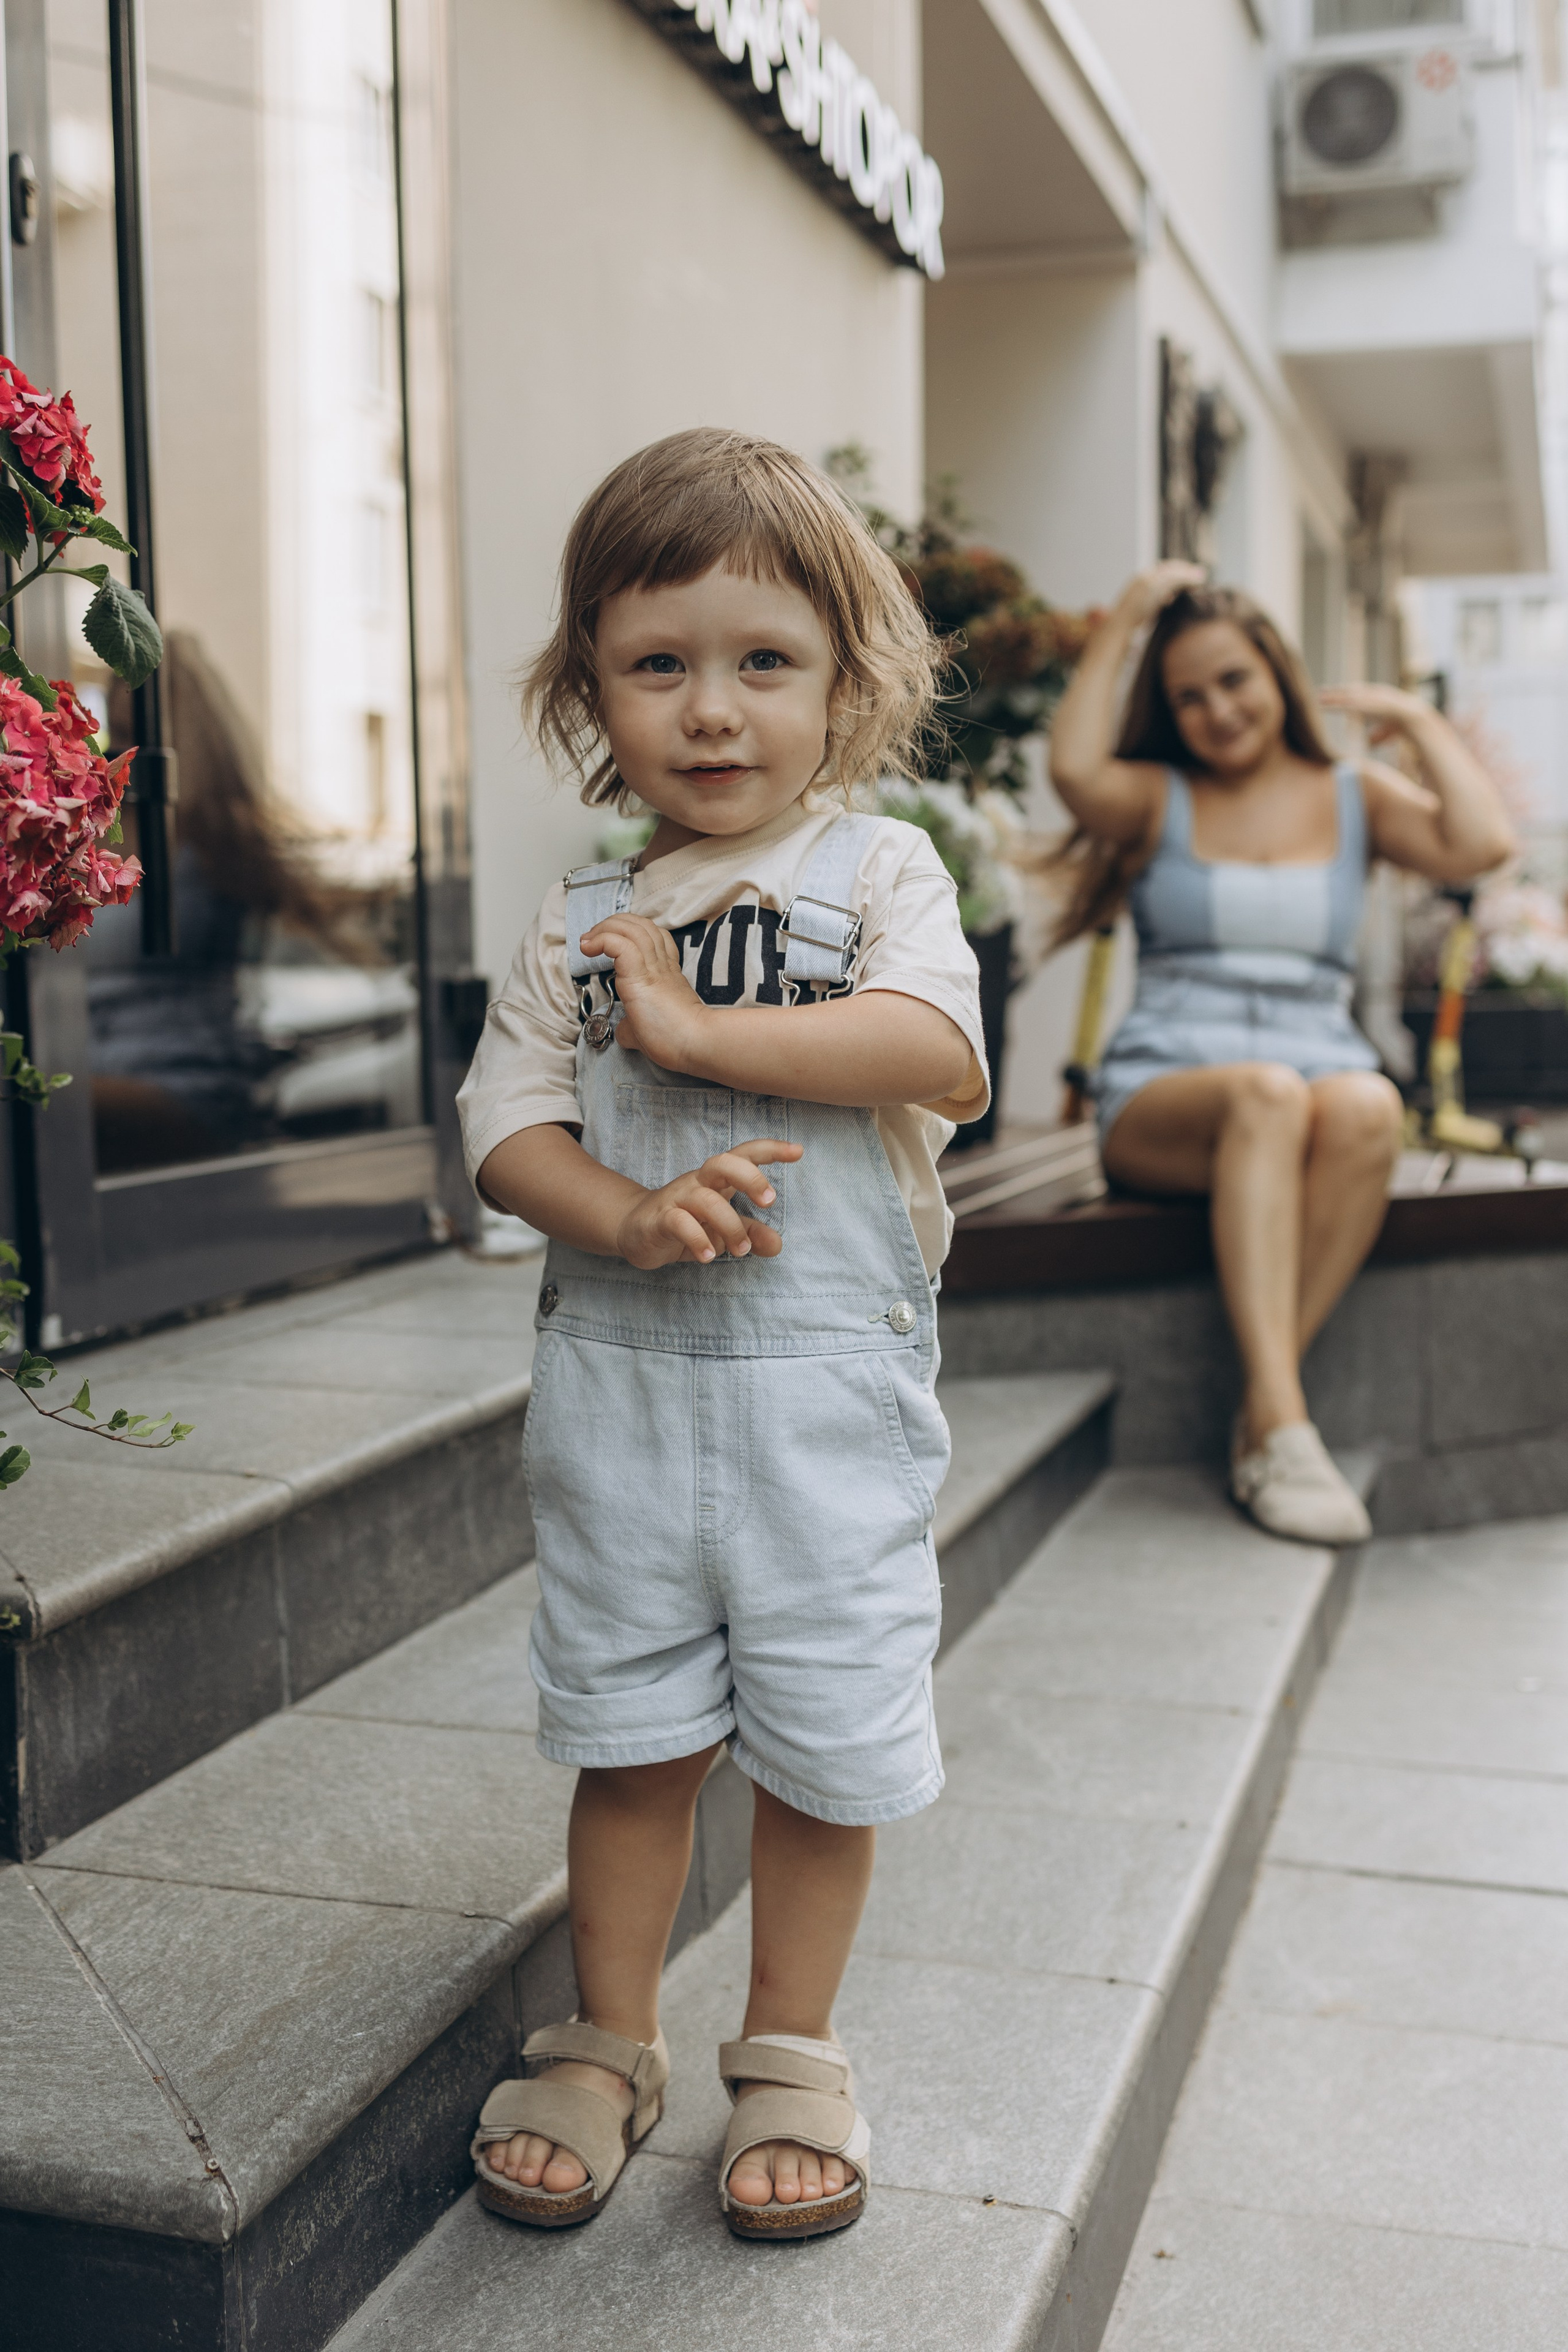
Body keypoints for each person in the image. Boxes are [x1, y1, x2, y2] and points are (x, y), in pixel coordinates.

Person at [456, 428, 988, 2239]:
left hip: (824, 1409)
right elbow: (506, 1131)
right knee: (636, 1738)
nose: (710, 709)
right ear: (592, 684)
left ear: (845, 679)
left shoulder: (881, 878)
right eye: (656, 663)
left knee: (829, 1744)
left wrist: (699, 1043)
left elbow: (932, 1051)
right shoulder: (581, 921)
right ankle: (612, 2035)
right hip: (622, 1401)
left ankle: (791, 2043)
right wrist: (623, 1208)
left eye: (763, 661)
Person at [1049, 562, 1515, 1545]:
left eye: (1234, 680)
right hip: (1167, 1097)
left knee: (1368, 1106)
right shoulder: (1155, 797)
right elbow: (1074, 769)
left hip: (1312, 1081)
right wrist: (1130, 613)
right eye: (1188, 695)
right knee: (1270, 1094)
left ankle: (1264, 1414)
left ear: (1277, 674)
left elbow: (1478, 845)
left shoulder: (1354, 795)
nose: (1217, 710)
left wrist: (1420, 726)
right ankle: (1285, 1425)